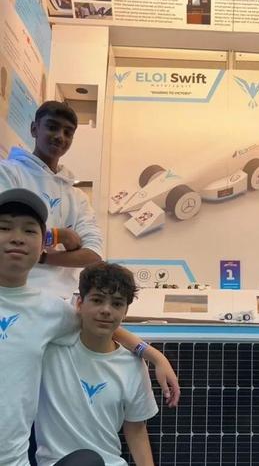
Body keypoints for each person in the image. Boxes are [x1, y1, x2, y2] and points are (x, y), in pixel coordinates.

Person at [0, 188, 179, 466]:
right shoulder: (58, 335)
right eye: (4, 227)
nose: (17, 238)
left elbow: (99, 324)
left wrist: (153, 355)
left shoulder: (51, 312)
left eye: (29, 230)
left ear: (43, 243)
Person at [36, 262, 158, 465]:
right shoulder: (50, 348)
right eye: (97, 300)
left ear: (125, 311)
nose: (106, 310)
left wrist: (153, 356)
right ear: (79, 304)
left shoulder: (133, 365)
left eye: (117, 304)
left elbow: (136, 429)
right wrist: (154, 354)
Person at [0, 100, 103, 300]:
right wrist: (59, 236)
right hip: (11, 297)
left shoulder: (77, 197)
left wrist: (44, 256)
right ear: (34, 129)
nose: (60, 136)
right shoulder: (8, 173)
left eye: (68, 132)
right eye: (52, 127)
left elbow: (93, 254)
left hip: (62, 300)